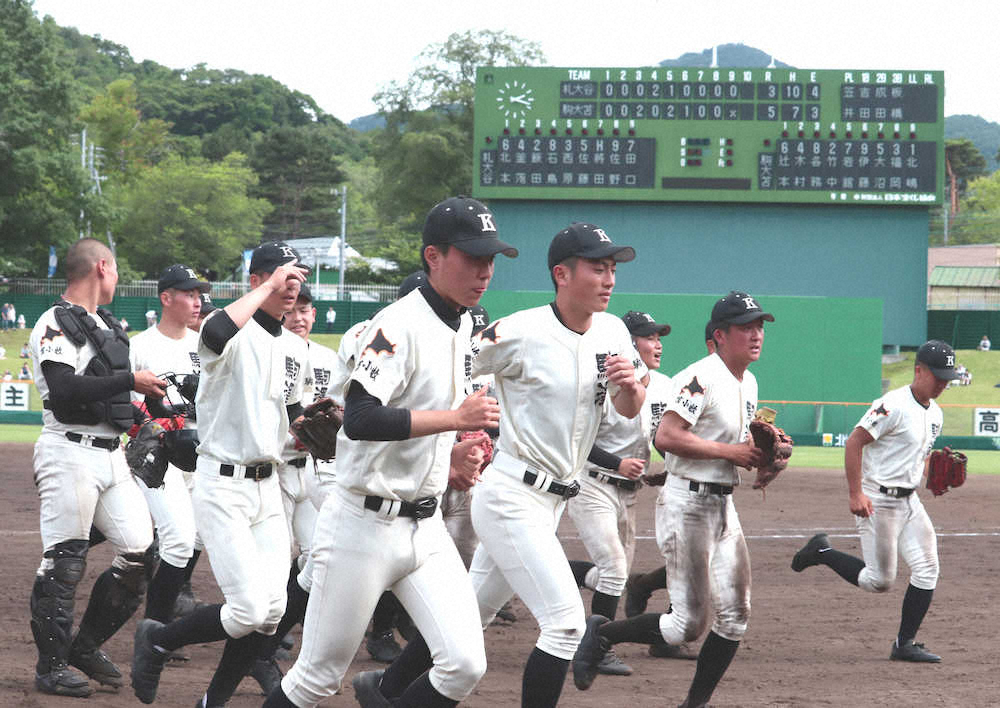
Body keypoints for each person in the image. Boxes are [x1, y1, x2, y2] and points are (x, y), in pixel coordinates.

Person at [359, 222, 646, 708]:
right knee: (564, 624)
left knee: (469, 616)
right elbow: (444, 362)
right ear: (562, 273)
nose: (609, 277)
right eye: (598, 267)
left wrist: (631, 387)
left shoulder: (614, 331)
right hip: (512, 494)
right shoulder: (519, 331)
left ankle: (383, 690)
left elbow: (628, 409)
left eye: (612, 268)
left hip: (554, 500)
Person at [263, 195, 517, 708]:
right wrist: (455, 421)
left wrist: (449, 457)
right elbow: (359, 419)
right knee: (314, 680)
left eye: (490, 259)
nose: (484, 270)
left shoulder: (465, 324)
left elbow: (422, 415)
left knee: (465, 663)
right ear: (433, 257)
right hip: (361, 527)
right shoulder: (396, 325)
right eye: (472, 257)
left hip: (426, 529)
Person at [131, 242, 309, 707]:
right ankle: (160, 638)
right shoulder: (226, 332)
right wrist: (268, 283)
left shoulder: (293, 347)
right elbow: (213, 331)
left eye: (297, 278)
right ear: (257, 281)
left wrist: (312, 427)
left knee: (271, 614)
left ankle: (212, 701)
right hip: (222, 485)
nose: (292, 286)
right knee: (248, 608)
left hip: (268, 487)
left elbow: (292, 415)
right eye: (281, 277)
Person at [573, 291, 771, 708]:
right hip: (688, 507)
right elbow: (667, 436)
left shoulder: (747, 381)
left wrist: (763, 458)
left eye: (759, 326)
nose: (756, 334)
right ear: (719, 335)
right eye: (746, 327)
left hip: (722, 505)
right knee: (686, 626)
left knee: (735, 618)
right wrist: (731, 453)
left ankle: (693, 704)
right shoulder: (700, 378)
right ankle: (602, 633)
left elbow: (736, 444)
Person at [28, 237, 166, 697]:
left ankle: (83, 647)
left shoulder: (103, 323)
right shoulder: (55, 321)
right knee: (64, 560)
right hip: (68, 453)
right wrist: (130, 380)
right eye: (118, 268)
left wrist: (144, 402)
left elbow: (106, 392)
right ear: (102, 267)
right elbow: (65, 390)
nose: (119, 277)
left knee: (140, 551)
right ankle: (50, 668)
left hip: (109, 455)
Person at [791, 340, 960, 663]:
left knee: (927, 569)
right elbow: (854, 443)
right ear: (918, 370)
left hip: (910, 504)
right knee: (879, 580)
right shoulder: (892, 405)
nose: (942, 383)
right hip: (878, 502)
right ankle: (822, 551)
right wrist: (856, 493)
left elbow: (918, 458)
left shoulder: (936, 414)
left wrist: (933, 479)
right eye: (937, 376)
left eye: (946, 378)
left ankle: (904, 643)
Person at [565, 310, 673, 677]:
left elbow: (665, 438)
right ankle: (598, 648)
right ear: (628, 344)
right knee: (613, 569)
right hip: (592, 483)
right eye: (649, 337)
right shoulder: (601, 383)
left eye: (660, 337)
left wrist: (669, 468)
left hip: (629, 493)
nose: (657, 344)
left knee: (617, 573)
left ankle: (552, 567)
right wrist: (616, 463)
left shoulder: (667, 385)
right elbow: (577, 438)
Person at [246, 282, 341, 694]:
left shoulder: (327, 358)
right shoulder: (270, 351)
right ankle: (259, 641)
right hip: (278, 468)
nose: (299, 316)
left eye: (307, 310)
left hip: (317, 470)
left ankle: (273, 639)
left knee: (323, 556)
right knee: (279, 560)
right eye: (293, 309)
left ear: (315, 315)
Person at [128, 265, 209, 637]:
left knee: (195, 537)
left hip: (201, 456)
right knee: (177, 537)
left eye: (199, 294)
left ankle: (164, 615)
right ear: (166, 298)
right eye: (189, 294)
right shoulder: (140, 346)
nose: (198, 301)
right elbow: (127, 409)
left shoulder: (204, 347)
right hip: (158, 459)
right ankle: (156, 629)